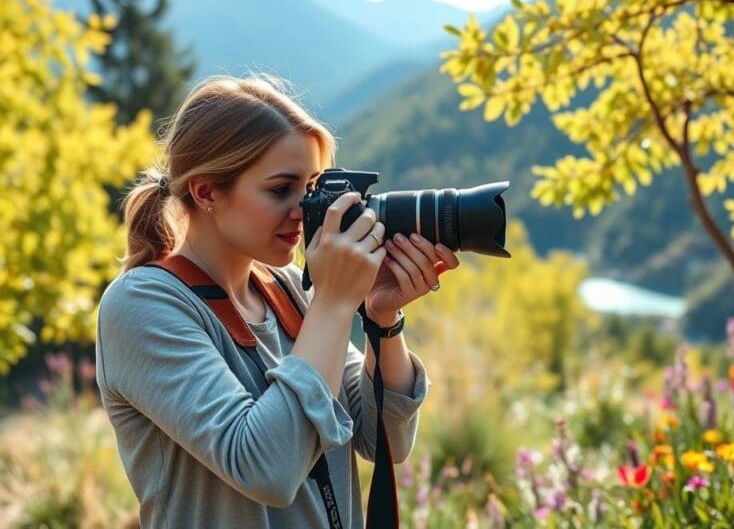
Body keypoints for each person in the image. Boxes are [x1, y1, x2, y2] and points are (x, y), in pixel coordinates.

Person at [95, 75, 460, 528]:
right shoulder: (143, 305)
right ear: (206, 192)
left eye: (310, 188)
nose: (303, 211)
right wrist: (332, 302)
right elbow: (266, 467)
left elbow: (383, 436)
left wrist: (381, 317)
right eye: (279, 189)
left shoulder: (289, 288)